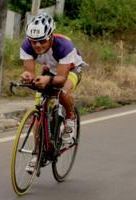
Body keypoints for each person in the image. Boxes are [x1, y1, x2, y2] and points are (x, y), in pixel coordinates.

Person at [20, 12, 87, 173]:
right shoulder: (27, 46)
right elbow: (30, 72)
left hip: (71, 68)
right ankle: (37, 154)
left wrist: (47, 80)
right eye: (33, 41)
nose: (37, 45)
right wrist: (28, 77)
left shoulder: (64, 47)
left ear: (50, 37)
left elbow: (61, 78)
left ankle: (70, 119)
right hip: (51, 69)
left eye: (42, 40)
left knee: (62, 92)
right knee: (39, 112)